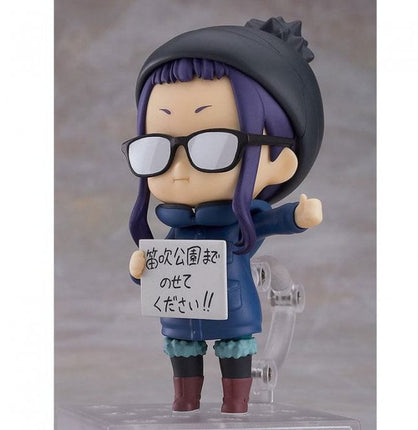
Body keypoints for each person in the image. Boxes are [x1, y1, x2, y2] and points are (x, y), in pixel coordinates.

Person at [122, 17, 324, 414]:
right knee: (181, 355)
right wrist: (140, 268)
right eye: (157, 147)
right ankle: (185, 403)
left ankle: (236, 406)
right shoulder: (176, 232)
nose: (178, 168)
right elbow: (156, 270)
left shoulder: (239, 224)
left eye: (213, 146)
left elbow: (274, 221)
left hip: (234, 313)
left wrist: (299, 216)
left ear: (280, 162)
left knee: (235, 356)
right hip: (181, 316)